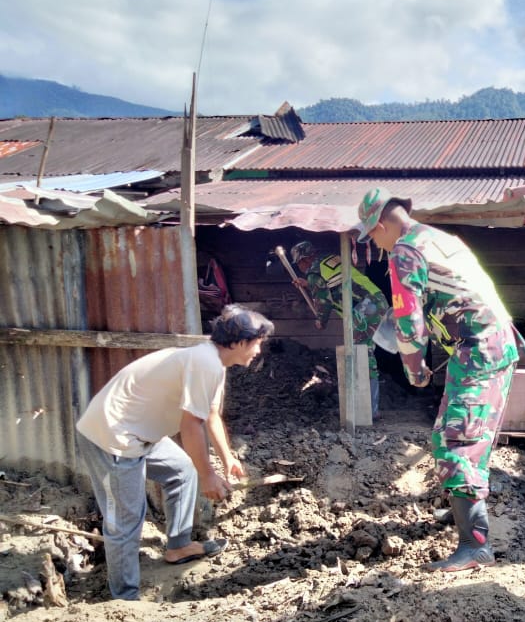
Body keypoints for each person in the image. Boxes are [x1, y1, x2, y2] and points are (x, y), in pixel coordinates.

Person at [355, 186, 525, 572]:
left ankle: (474, 544)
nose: (377, 245)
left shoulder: (405, 250)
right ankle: (462, 509)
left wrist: (413, 368)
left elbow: (409, 320)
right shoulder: (439, 239)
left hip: (479, 349)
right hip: (495, 343)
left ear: (382, 225)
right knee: (453, 435)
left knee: (457, 443)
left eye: (373, 237)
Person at [76, 304, 274, 601]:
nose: (258, 351)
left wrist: (227, 458)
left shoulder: (214, 364)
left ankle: (178, 546)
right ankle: (124, 599)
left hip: (139, 432)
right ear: (239, 342)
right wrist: (208, 476)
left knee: (181, 469)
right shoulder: (205, 362)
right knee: (125, 519)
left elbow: (210, 416)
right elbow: (190, 425)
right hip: (112, 436)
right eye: (257, 343)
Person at [290, 240, 390, 420]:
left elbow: (323, 301)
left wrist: (321, 321)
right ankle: (364, 407)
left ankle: (368, 410)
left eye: (299, 264)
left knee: (361, 353)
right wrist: (309, 284)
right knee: (362, 351)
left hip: (365, 309)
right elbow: (331, 283)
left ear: (303, 260)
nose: (300, 267)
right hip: (376, 301)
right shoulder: (330, 260)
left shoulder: (314, 272)